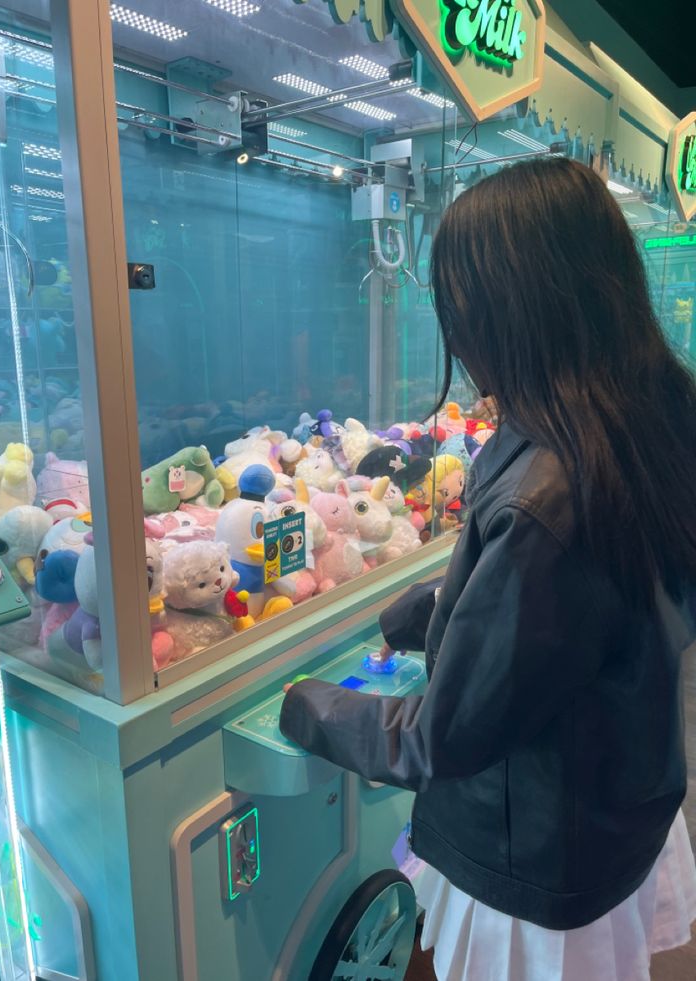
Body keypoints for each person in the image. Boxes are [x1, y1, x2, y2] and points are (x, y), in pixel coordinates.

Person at [279, 157, 696, 981]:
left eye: (459, 308)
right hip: (619, 803)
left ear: (511, 311)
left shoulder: (552, 488)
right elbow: (590, 609)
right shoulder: (647, 416)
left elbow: (444, 735)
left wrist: (307, 708)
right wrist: (441, 604)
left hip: (534, 857)